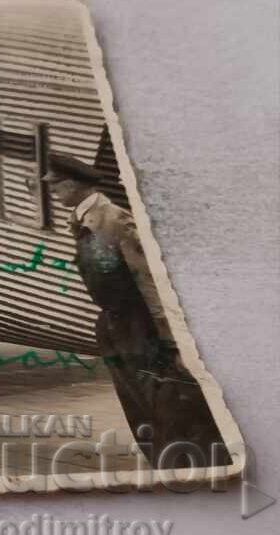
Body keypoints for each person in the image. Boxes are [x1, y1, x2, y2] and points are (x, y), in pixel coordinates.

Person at [42, 153, 227, 469]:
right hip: (115, 325)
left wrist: (169, 339)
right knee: (138, 405)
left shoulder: (116, 222)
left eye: (55, 185)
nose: (52, 192)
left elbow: (149, 283)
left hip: (140, 327)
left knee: (167, 404)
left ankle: (192, 467)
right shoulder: (85, 218)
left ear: (72, 184)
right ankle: (168, 465)